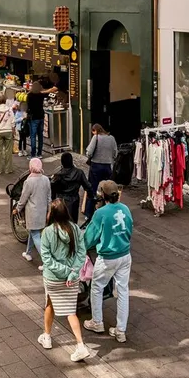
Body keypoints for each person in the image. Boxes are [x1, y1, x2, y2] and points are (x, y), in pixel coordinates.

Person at [37, 199, 90, 362]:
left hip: (53, 278)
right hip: (71, 279)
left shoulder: (47, 232)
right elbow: (82, 253)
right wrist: (72, 272)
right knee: (70, 311)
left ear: (51, 214)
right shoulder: (75, 229)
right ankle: (80, 345)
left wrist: (64, 271)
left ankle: (46, 336)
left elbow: (46, 258)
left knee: (49, 303)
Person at [83, 180, 133, 343]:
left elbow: (90, 237)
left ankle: (97, 322)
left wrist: (81, 247)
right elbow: (130, 229)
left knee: (97, 287)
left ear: (102, 195)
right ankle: (121, 330)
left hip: (107, 257)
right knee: (123, 291)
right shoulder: (125, 209)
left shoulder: (101, 213)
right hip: (125, 255)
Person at [15, 158, 51, 264]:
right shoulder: (46, 179)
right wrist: (49, 210)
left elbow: (23, 198)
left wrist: (17, 209)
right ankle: (28, 253)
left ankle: (46, 262)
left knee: (35, 235)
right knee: (33, 232)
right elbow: (49, 197)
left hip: (32, 213)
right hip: (43, 211)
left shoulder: (28, 181)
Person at [83, 124, 118, 222]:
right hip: (108, 167)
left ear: (95, 130)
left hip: (96, 166)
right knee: (108, 189)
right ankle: (109, 211)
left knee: (92, 190)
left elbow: (89, 152)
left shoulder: (96, 137)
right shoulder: (111, 138)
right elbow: (115, 153)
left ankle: (89, 213)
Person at [51, 152, 89, 224]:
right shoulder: (79, 173)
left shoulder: (58, 176)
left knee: (61, 223)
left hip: (60, 202)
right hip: (74, 200)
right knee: (73, 222)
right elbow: (88, 186)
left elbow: (52, 189)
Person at [0, 96, 16, 175]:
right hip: (8, 131)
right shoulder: (9, 110)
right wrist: (13, 130)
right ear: (5, 101)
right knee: (8, 151)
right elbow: (13, 121)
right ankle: (8, 169)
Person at [26, 83, 51, 159]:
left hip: (33, 117)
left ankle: (33, 154)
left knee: (33, 136)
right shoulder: (41, 95)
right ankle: (39, 153)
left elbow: (28, 106)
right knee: (40, 135)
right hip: (41, 116)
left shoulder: (30, 95)